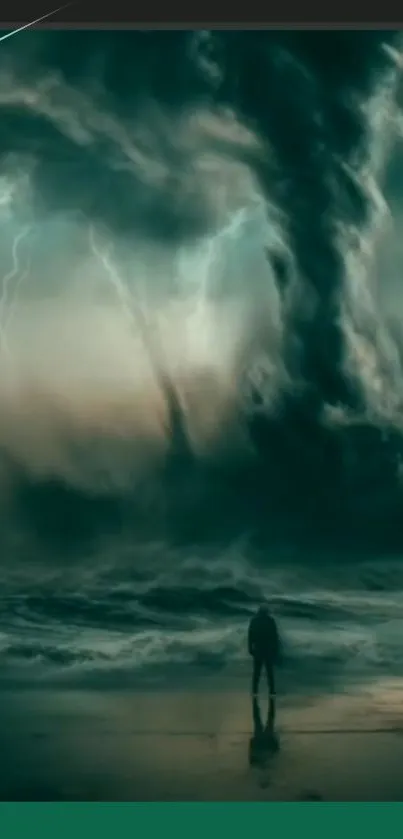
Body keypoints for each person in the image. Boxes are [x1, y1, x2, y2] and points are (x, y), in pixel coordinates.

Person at [248, 604, 280, 697]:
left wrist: (250, 648)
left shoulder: (254, 621)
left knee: (257, 672)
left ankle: (255, 691)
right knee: (269, 671)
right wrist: (276, 649)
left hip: (258, 648)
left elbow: (250, 636)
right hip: (268, 648)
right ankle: (272, 691)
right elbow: (275, 637)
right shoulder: (270, 621)